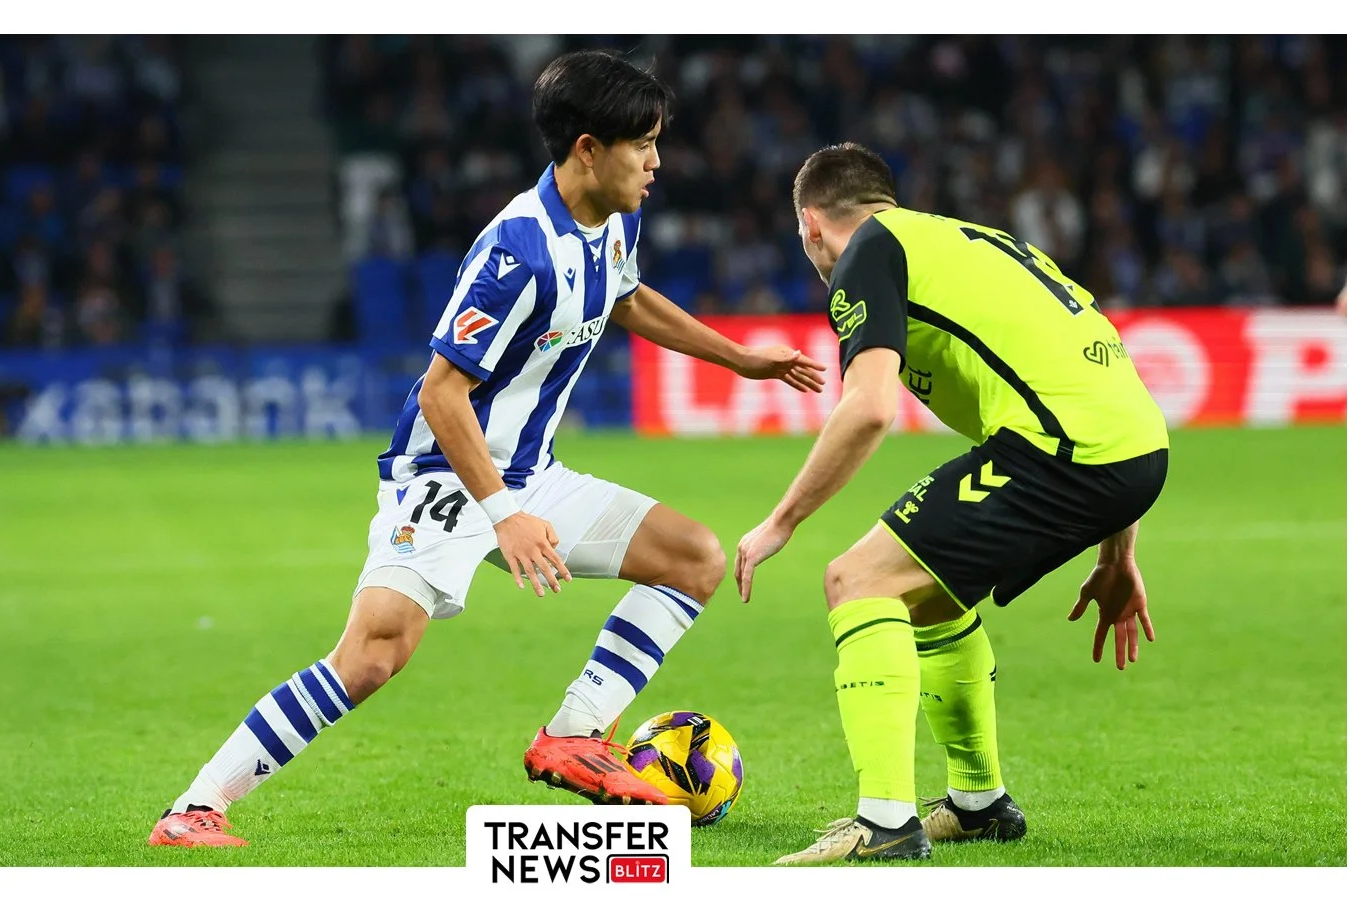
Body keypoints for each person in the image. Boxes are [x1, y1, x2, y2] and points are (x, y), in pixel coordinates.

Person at [148, 50, 826, 848]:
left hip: (531, 474)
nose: (656, 161)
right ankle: (195, 809)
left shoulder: (614, 217)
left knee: (693, 557)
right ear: (586, 150)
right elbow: (441, 394)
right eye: (642, 143)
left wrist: (740, 356)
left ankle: (574, 735)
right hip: (446, 472)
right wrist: (503, 514)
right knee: (371, 657)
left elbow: (627, 296)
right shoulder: (516, 253)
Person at [734, 143, 1170, 864]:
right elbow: (1101, 384)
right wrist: (1118, 551)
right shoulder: (970, 241)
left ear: (811, 224)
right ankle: (978, 804)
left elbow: (869, 409)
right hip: (1134, 451)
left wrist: (780, 522)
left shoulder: (868, 254)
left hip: (1060, 451)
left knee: (857, 579)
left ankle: (883, 823)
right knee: (928, 596)